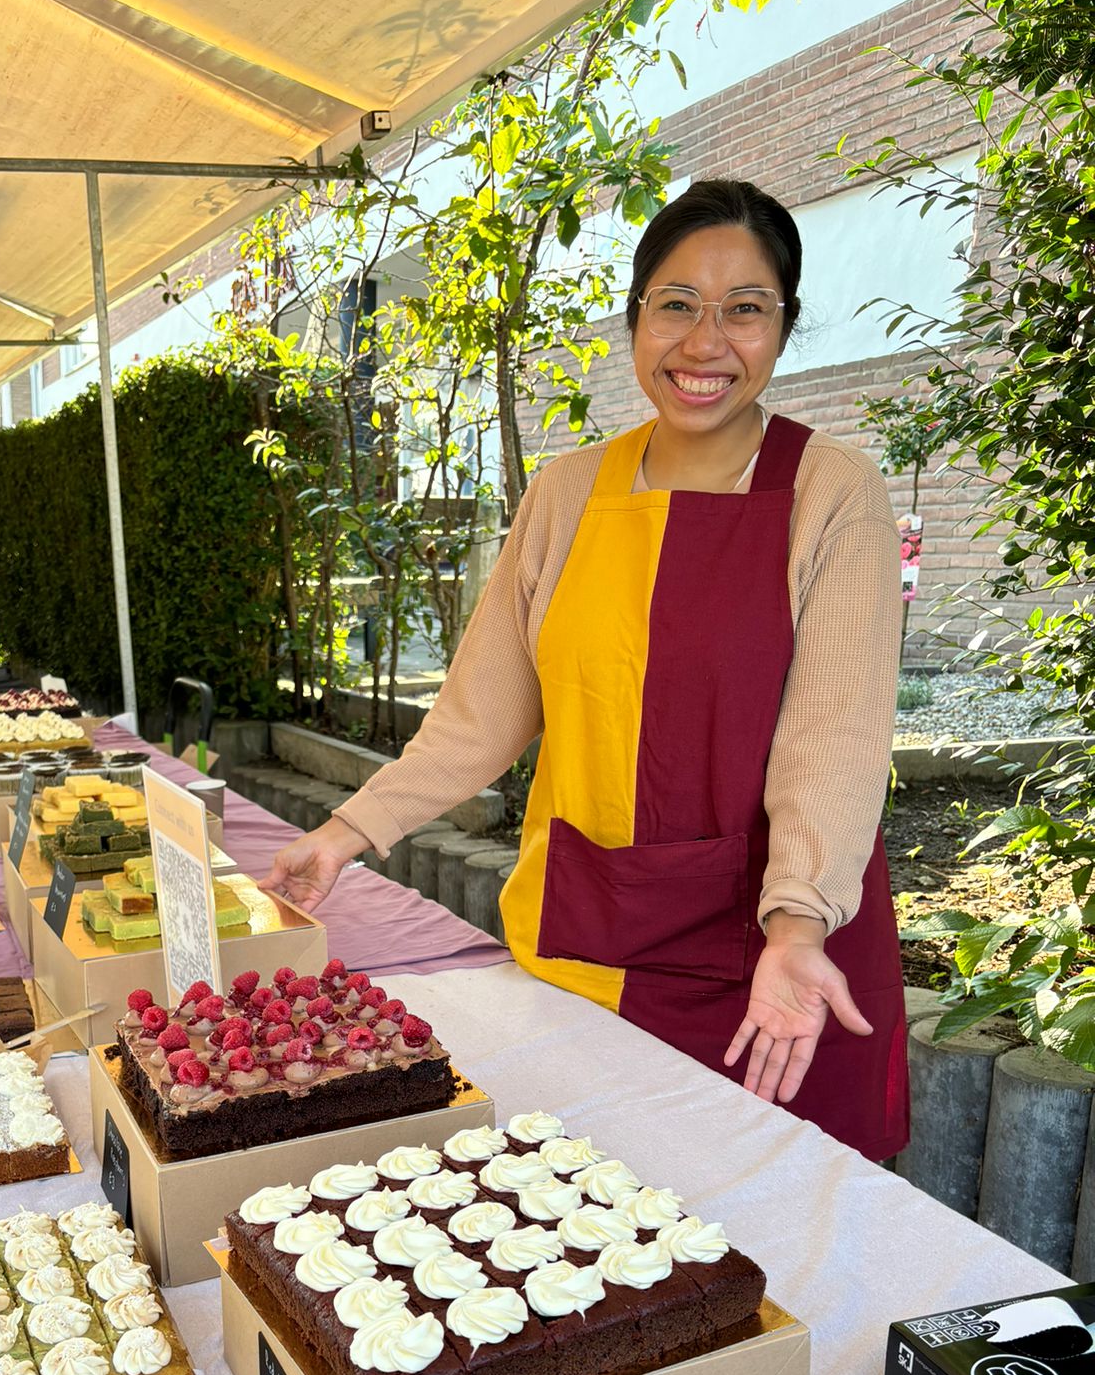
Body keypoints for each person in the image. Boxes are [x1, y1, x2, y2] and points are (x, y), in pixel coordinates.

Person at [263, 179, 907, 1159]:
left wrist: (797, 922)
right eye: (677, 304)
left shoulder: (833, 493)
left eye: (745, 309)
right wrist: (351, 829)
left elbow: (835, 735)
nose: (705, 342)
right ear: (636, 316)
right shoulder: (566, 493)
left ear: (785, 326)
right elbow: (484, 709)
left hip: (774, 955)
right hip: (594, 935)